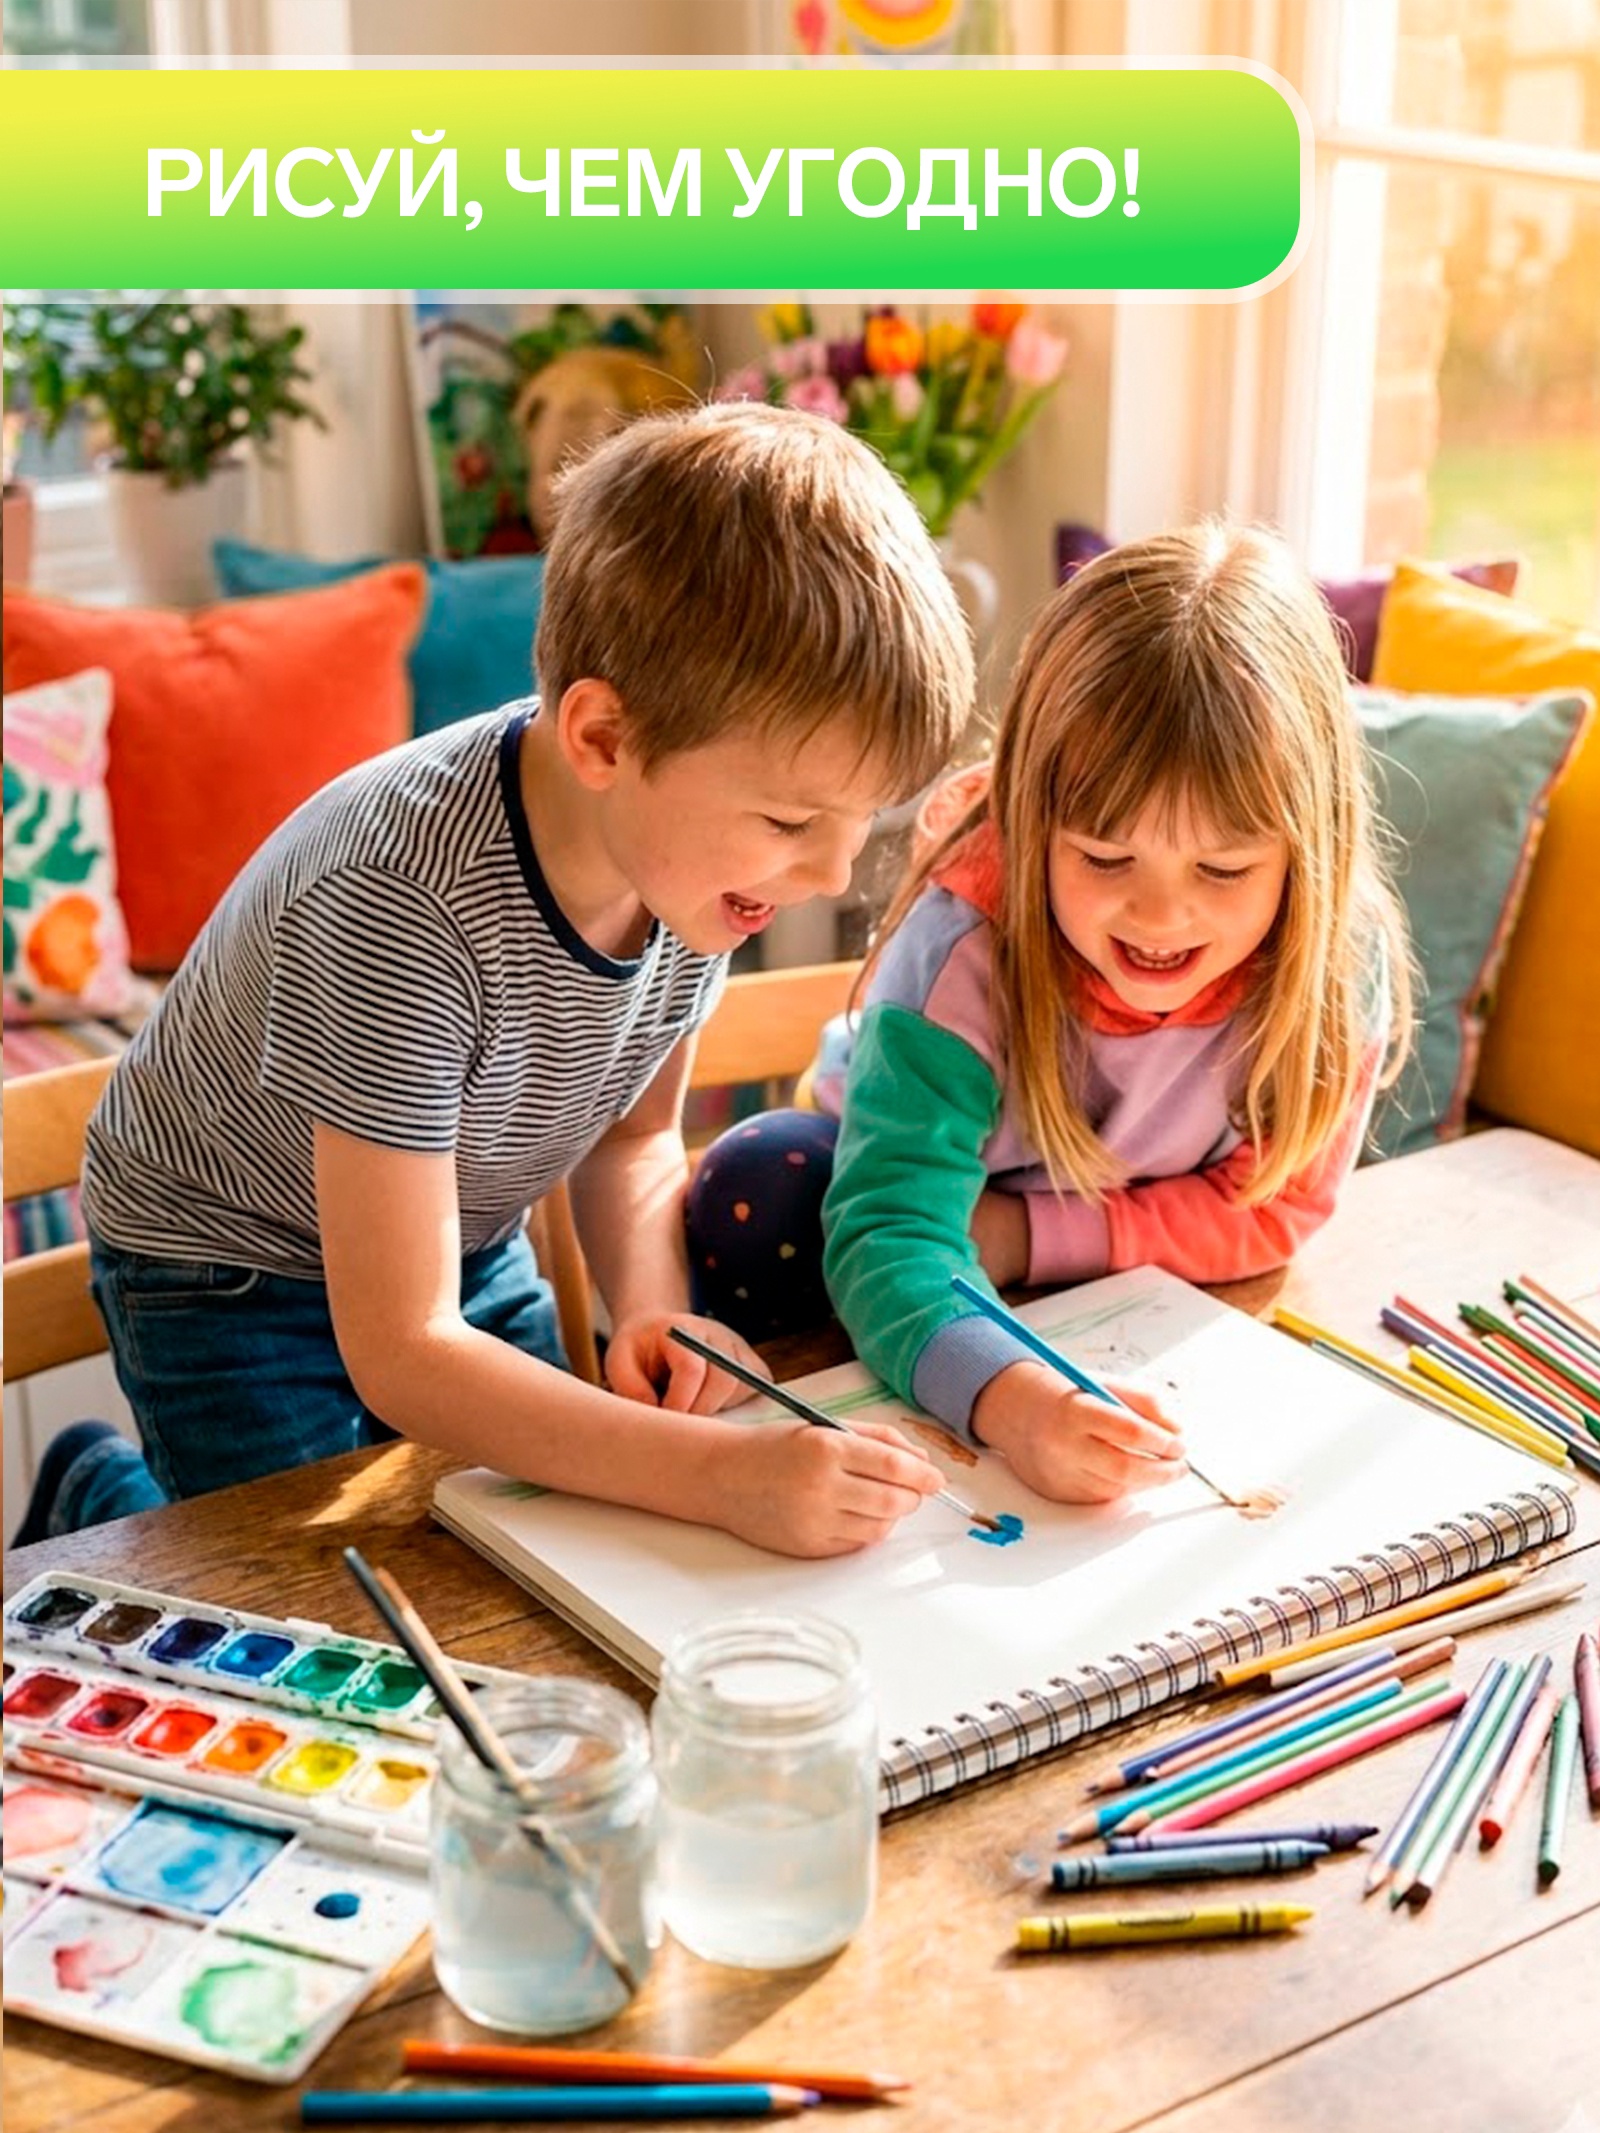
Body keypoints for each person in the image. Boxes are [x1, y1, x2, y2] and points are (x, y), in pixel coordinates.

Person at [46, 403, 974, 1561]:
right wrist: (722, 1475)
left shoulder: (696, 865)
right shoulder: (398, 903)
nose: (832, 872)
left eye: (856, 824)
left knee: (531, 1543)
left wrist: (650, 1305)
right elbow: (406, 1352)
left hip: (454, 1234)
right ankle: (97, 1499)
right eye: (792, 821)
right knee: (309, 1586)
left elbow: (632, 1139)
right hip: (229, 1267)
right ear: (601, 739)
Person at [689, 522, 1413, 1505]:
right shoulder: (965, 954)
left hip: (1035, 1236)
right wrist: (1017, 1404)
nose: (1159, 916)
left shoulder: (1337, 958)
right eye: (1104, 859)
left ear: (1308, 851)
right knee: (762, 1187)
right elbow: (894, 1233)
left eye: (1223, 868)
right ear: (1031, 824)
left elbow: (1277, 1209)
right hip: (905, 1197)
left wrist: (1023, 1237)